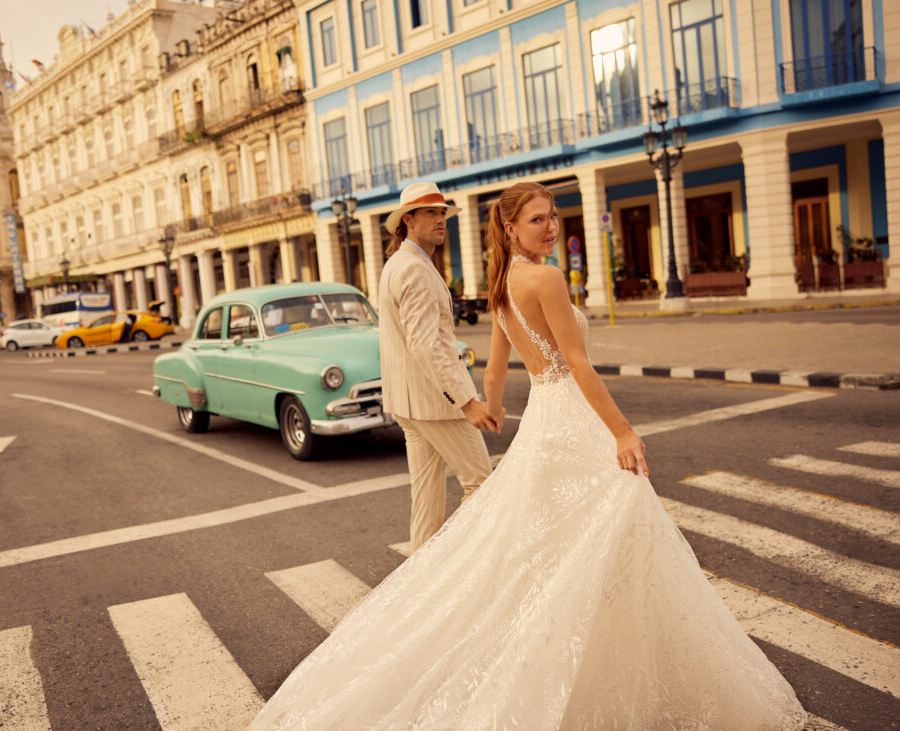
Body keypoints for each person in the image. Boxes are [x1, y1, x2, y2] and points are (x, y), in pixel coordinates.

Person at [248, 181, 807, 730]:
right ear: (511, 227)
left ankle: (468, 601)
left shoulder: (503, 281)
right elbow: (579, 366)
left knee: (550, 537)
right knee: (606, 526)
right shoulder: (546, 278)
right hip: (570, 417)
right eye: (538, 218)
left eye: (554, 216)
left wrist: (491, 405)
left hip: (543, 420)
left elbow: (498, 365)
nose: (551, 227)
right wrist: (622, 432)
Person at [376, 181, 500, 551]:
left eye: (442, 211)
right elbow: (427, 345)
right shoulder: (413, 268)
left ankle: (420, 576)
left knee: (427, 497)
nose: (440, 218)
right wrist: (467, 401)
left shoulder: (399, 263)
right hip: (434, 404)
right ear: (408, 220)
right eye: (430, 212)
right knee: (481, 484)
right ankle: (451, 567)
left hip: (408, 403)